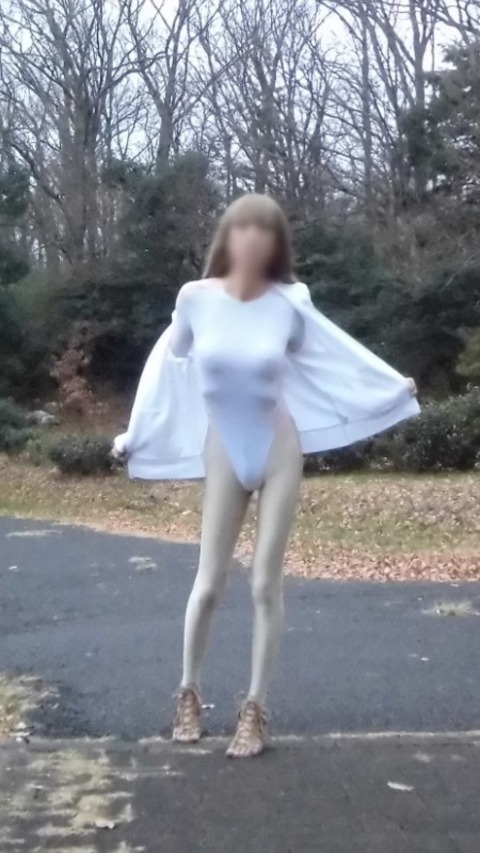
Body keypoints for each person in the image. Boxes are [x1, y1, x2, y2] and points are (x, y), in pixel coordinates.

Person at [114, 193, 419, 758]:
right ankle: (188, 693)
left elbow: (330, 355)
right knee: (209, 582)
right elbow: (167, 364)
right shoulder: (195, 299)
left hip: (279, 447)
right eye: (243, 228)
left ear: (277, 244)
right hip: (223, 450)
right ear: (227, 237)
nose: (253, 239)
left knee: (263, 582)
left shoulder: (290, 302)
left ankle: (254, 710)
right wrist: (137, 433)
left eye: (265, 230)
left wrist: (387, 387)